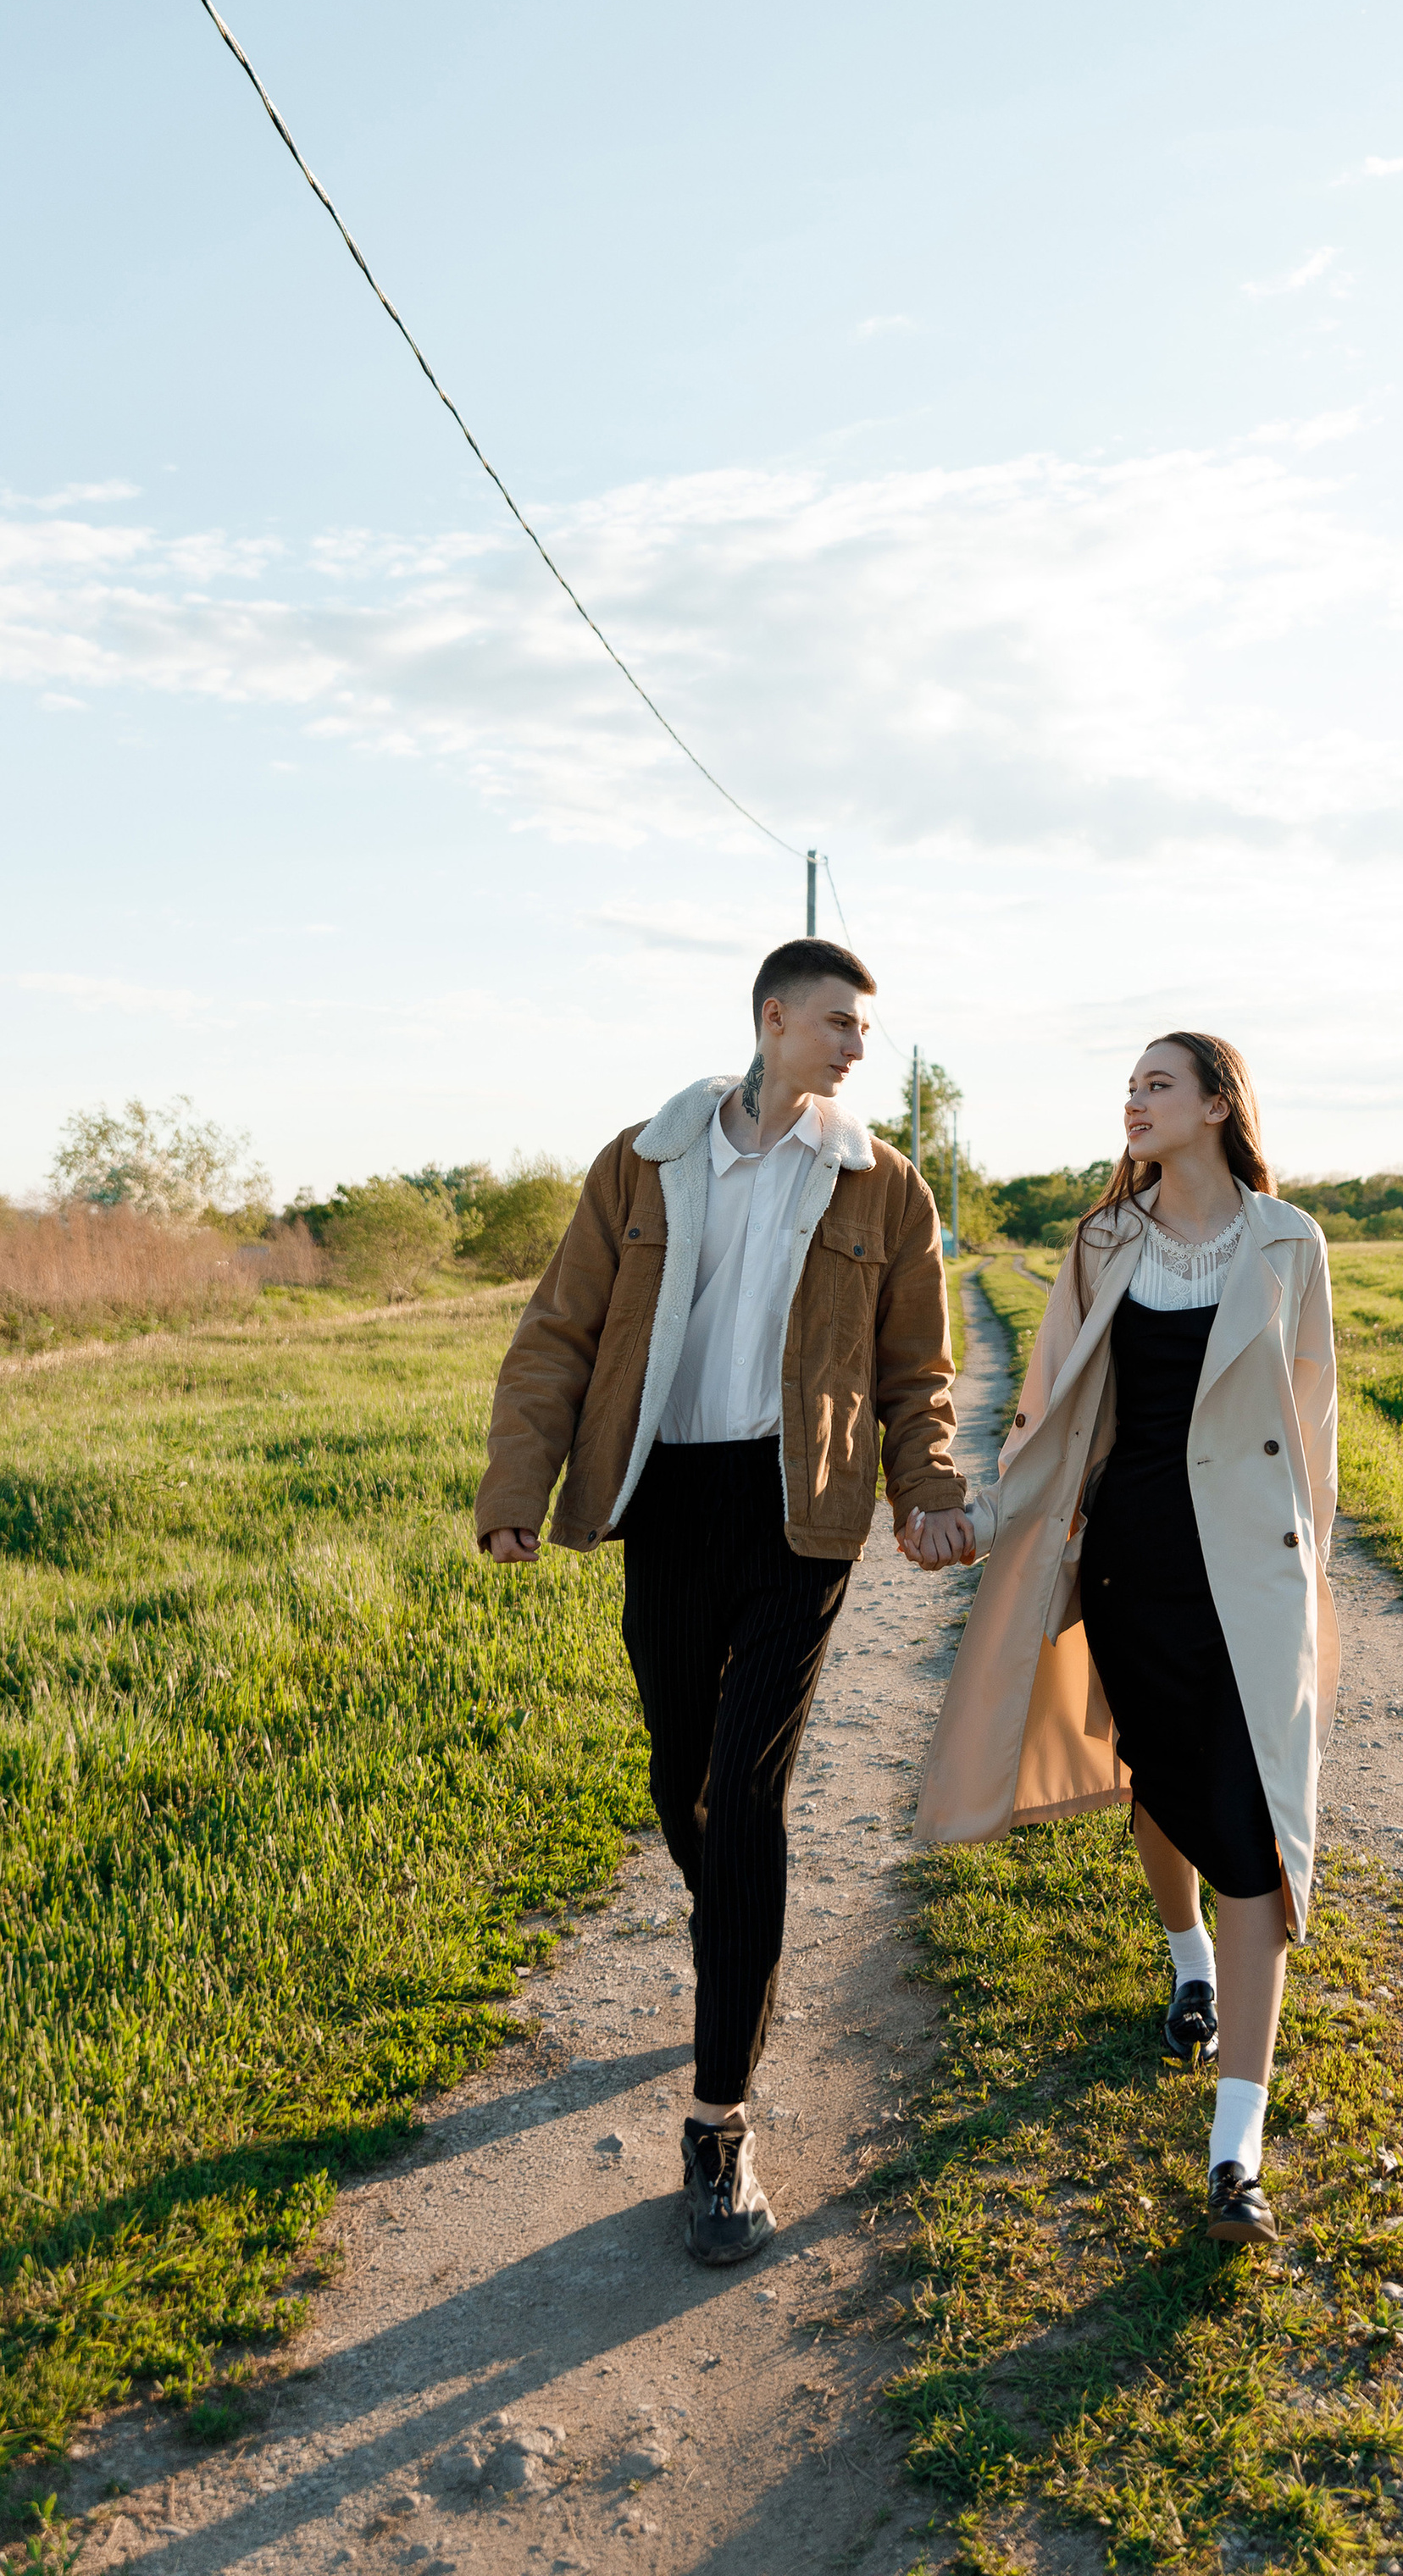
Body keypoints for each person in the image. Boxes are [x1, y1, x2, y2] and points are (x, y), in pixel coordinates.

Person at [474, 938, 975, 2267]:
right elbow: (559, 1332)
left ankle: (717, 2123)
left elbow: (916, 1371)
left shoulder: (884, 1186)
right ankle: (733, 1932)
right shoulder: (644, 1160)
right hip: (667, 1499)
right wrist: (518, 1482)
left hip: (801, 1511)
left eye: (864, 1028)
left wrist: (927, 1492)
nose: (858, 1046)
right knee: (680, 1775)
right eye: (839, 1022)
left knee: (746, 1795)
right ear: (771, 1018)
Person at [908, 1030, 1337, 2247]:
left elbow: (1312, 1421)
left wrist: (1308, 1578)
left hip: (1250, 1573)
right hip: (1134, 1564)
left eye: (1159, 1085)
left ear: (1217, 1105)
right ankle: (1188, 1958)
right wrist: (983, 1518)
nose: (1136, 1102)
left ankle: (1236, 2151)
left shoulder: (1289, 1242)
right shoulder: (1104, 1242)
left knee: (1250, 1830)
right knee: (1160, 1781)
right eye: (1131, 1087)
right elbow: (1049, 1404)